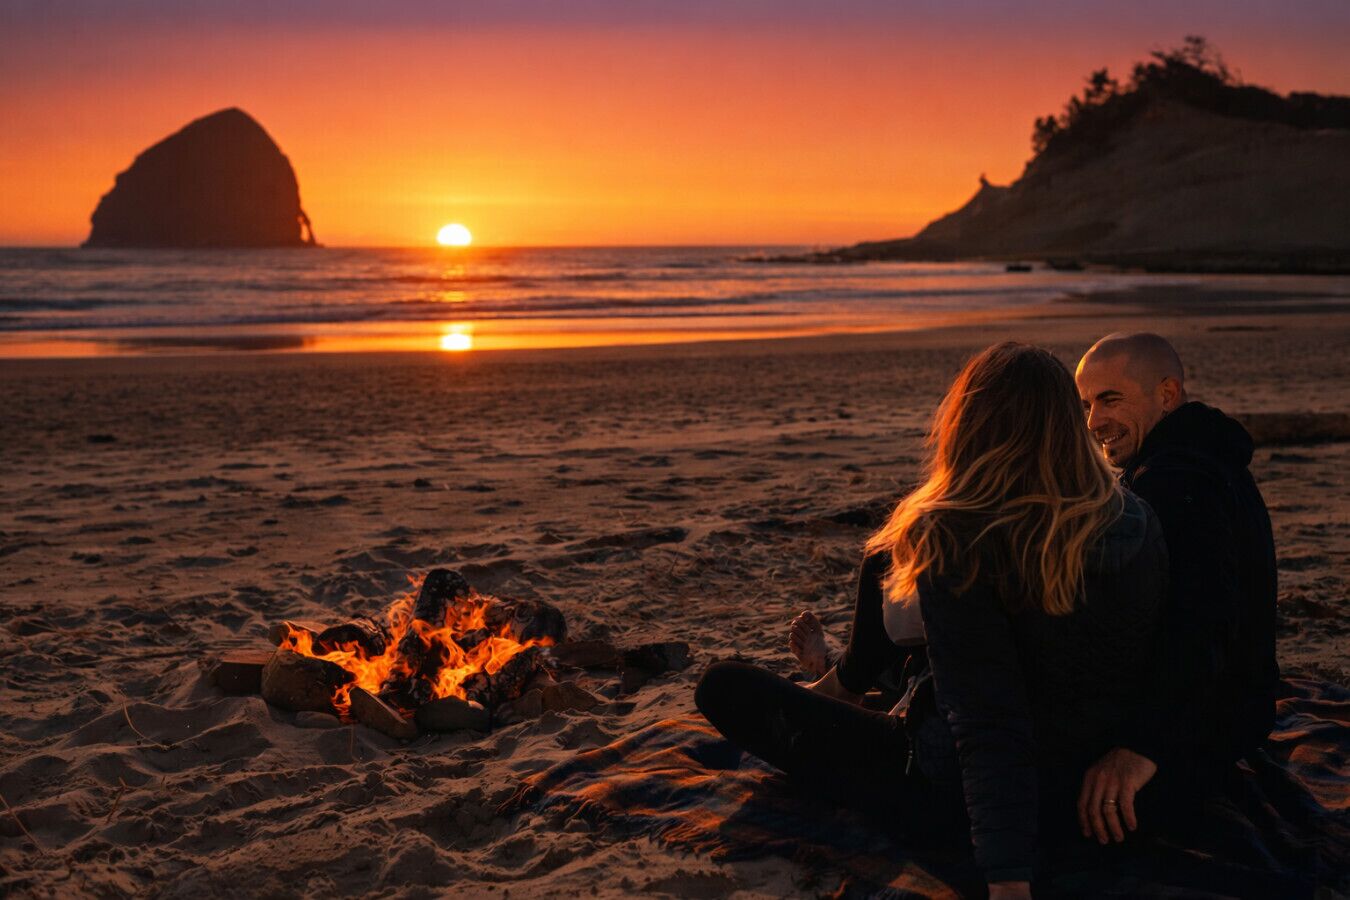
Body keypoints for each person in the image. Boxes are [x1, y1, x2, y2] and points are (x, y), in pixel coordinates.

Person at [696, 343, 1169, 897]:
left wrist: (1008, 882)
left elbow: (990, 724)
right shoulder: (1136, 518)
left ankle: (845, 680)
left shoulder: (962, 540)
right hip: (1094, 787)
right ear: (1068, 423)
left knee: (724, 685)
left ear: (968, 427)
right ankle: (850, 678)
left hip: (950, 794)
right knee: (901, 580)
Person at [1074, 332, 1279, 845]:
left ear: (1166, 394)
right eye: (1086, 404)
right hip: (1224, 715)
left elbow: (1204, 620)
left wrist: (1141, 747)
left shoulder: (1177, 482)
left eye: (1110, 399)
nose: (1094, 421)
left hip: (1198, 732)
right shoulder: (1203, 458)